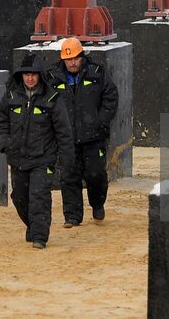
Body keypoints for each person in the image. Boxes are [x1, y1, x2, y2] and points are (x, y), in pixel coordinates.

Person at [0, 53, 74, 249]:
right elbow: (2, 120)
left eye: (33, 74)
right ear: (21, 76)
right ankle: (33, 226)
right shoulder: (11, 96)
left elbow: (63, 132)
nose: (30, 78)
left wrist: (66, 159)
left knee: (39, 197)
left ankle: (40, 236)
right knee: (20, 198)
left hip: (43, 158)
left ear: (40, 76)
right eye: (26, 74)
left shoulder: (53, 99)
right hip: (17, 157)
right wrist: (5, 142)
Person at [45, 37, 119, 227]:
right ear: (63, 59)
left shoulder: (97, 73)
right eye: (68, 59)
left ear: (82, 56)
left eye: (75, 58)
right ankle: (72, 216)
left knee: (95, 174)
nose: (72, 63)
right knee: (69, 176)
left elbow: (110, 98)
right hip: (67, 139)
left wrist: (100, 122)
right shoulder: (52, 78)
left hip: (93, 137)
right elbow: (46, 104)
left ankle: (97, 204)